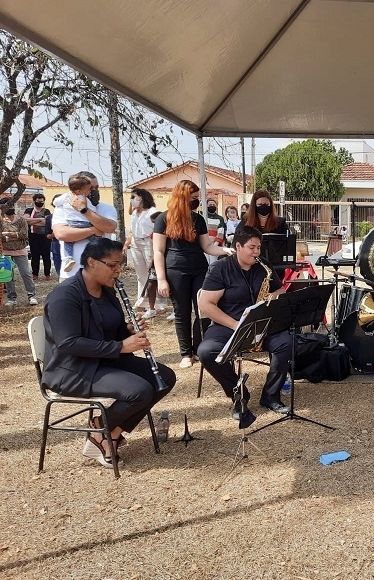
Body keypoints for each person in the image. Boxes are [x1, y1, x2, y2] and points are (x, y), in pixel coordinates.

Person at [40, 237, 176, 469]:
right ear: (92, 263)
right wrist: (122, 346)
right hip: (73, 369)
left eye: (120, 264)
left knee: (164, 377)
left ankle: (108, 433)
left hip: (104, 360)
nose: (118, 270)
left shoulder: (107, 291)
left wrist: (128, 330)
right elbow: (69, 343)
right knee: (139, 391)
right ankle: (100, 430)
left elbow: (108, 329)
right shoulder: (65, 296)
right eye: (112, 265)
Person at [198, 226, 307, 415]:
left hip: (261, 323)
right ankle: (238, 394)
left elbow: (280, 290)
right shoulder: (220, 268)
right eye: (252, 247)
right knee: (206, 352)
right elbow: (206, 304)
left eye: (258, 247)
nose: (256, 252)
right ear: (238, 246)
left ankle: (271, 396)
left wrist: (273, 297)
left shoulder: (263, 265)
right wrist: (236, 325)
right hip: (229, 324)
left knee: (287, 343)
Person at [153, 180, 235, 369]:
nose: (197, 202)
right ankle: (186, 353)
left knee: (203, 309)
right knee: (181, 312)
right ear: (181, 198)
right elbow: (158, 251)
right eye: (194, 198)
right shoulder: (163, 219)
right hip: (175, 271)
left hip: (199, 269)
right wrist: (161, 279)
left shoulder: (198, 220)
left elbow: (207, 246)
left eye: (197, 198)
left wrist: (225, 251)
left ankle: (200, 348)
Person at [52, 171, 117, 281]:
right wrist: (93, 230)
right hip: (71, 275)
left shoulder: (107, 208)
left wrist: (84, 210)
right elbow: (62, 234)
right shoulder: (62, 208)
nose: (94, 191)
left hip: (101, 276)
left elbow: (110, 227)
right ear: (78, 189)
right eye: (90, 188)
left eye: (97, 187)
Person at [122, 188, 163, 319]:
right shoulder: (134, 213)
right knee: (140, 274)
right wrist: (126, 244)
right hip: (136, 243)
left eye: (135, 197)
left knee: (152, 274)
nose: (132, 200)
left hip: (149, 242)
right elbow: (132, 231)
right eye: (131, 198)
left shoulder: (152, 212)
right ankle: (142, 301)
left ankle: (158, 303)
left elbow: (159, 229)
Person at [53, 174, 102, 273]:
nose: (91, 191)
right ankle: (100, 254)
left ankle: (68, 258)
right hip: (86, 223)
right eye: (89, 189)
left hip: (73, 224)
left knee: (68, 242)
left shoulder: (66, 196)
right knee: (96, 241)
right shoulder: (85, 199)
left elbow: (55, 202)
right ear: (80, 191)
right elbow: (93, 210)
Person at [0, 199, 38, 305]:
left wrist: (7, 234)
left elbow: (24, 235)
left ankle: (32, 296)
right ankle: (11, 298)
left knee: (26, 273)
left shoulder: (21, 220)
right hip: (6, 252)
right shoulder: (1, 221)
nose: (10, 208)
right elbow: (1, 236)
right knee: (8, 275)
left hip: (20, 251)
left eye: (11, 205)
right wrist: (14, 235)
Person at [24, 192, 52, 280]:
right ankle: (35, 274)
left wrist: (33, 222)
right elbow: (25, 221)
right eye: (38, 201)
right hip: (33, 236)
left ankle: (47, 274)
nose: (40, 203)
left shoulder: (46, 211)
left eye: (42, 201)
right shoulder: (28, 210)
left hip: (45, 237)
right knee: (34, 255)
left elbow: (46, 222)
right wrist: (40, 219)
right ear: (34, 201)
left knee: (46, 256)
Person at [204, 198, 225, 263]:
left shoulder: (220, 218)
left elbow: (221, 233)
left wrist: (215, 245)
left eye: (213, 205)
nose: (212, 206)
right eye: (210, 205)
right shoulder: (203, 217)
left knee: (213, 265)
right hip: (204, 246)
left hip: (214, 246)